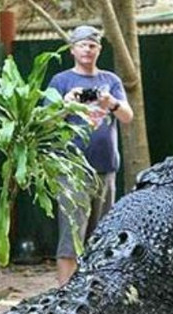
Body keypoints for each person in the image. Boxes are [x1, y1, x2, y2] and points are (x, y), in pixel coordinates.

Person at [48, 25, 134, 285]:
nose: (87, 49)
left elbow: (128, 117)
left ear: (99, 49)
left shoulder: (111, 81)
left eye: (92, 45)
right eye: (82, 45)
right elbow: (46, 123)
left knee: (103, 238)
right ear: (72, 49)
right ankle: (65, 298)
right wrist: (66, 104)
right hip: (72, 172)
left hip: (105, 170)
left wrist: (111, 103)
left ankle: (95, 295)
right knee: (71, 238)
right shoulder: (60, 81)